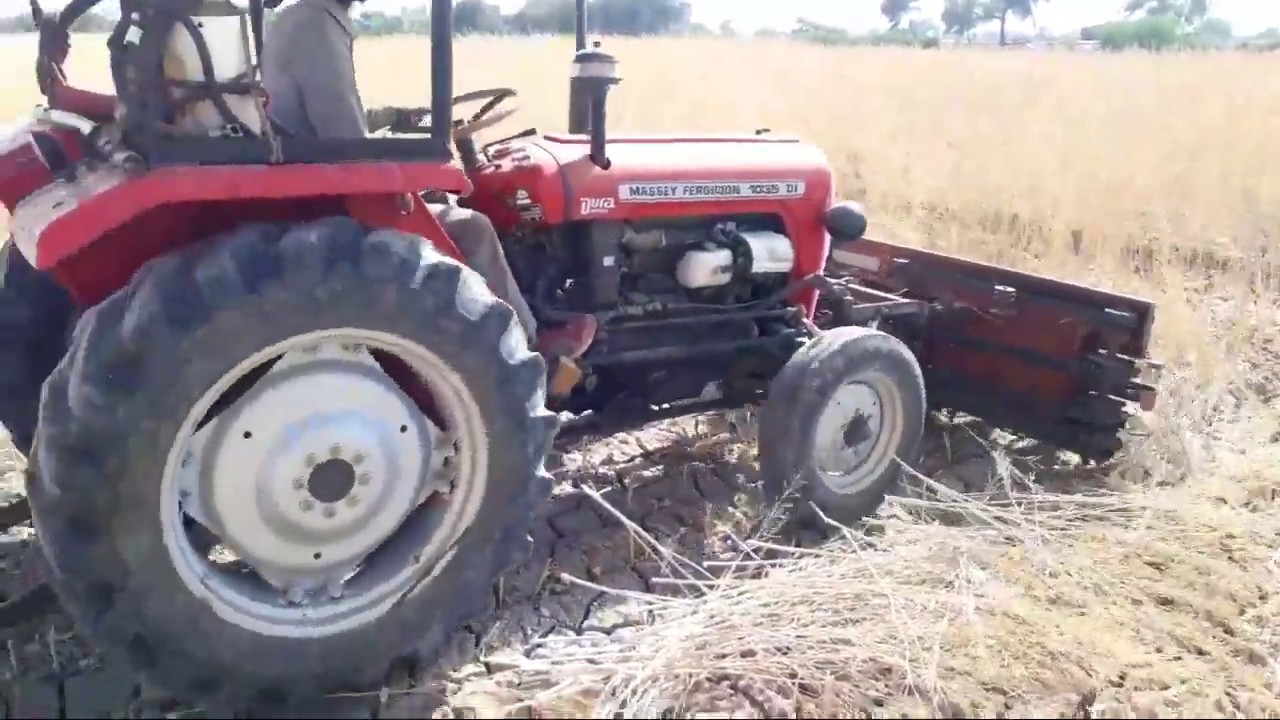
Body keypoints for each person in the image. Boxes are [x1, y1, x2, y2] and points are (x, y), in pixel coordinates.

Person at [261, 0, 597, 359]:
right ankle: (530, 347)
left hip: (317, 173)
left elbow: (336, 113)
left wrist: (396, 116)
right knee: (473, 226)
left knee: (450, 206)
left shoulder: (299, 17)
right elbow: (347, 138)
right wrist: (403, 181)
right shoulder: (318, 24)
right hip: (337, 191)